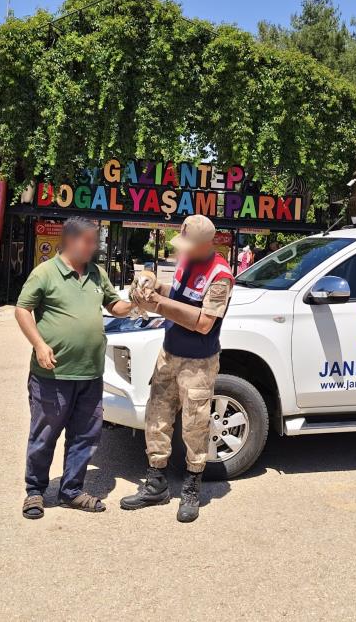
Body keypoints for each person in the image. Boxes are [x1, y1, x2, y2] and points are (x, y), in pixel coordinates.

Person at [14, 217, 135, 519]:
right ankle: (35, 491)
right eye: (90, 241)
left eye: (96, 241)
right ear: (70, 240)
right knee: (45, 434)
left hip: (90, 374)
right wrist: (40, 345)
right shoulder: (45, 273)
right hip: (53, 375)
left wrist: (133, 300)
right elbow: (22, 309)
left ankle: (71, 490)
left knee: (85, 435)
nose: (95, 247)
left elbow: (114, 306)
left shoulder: (97, 274)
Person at [120, 214, 234, 522]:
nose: (182, 250)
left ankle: (191, 487)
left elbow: (203, 322)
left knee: (195, 426)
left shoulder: (220, 275)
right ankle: (155, 483)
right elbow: (178, 295)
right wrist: (152, 284)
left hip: (198, 362)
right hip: (169, 354)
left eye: (188, 245)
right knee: (157, 416)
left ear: (206, 244)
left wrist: (156, 302)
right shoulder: (188, 260)